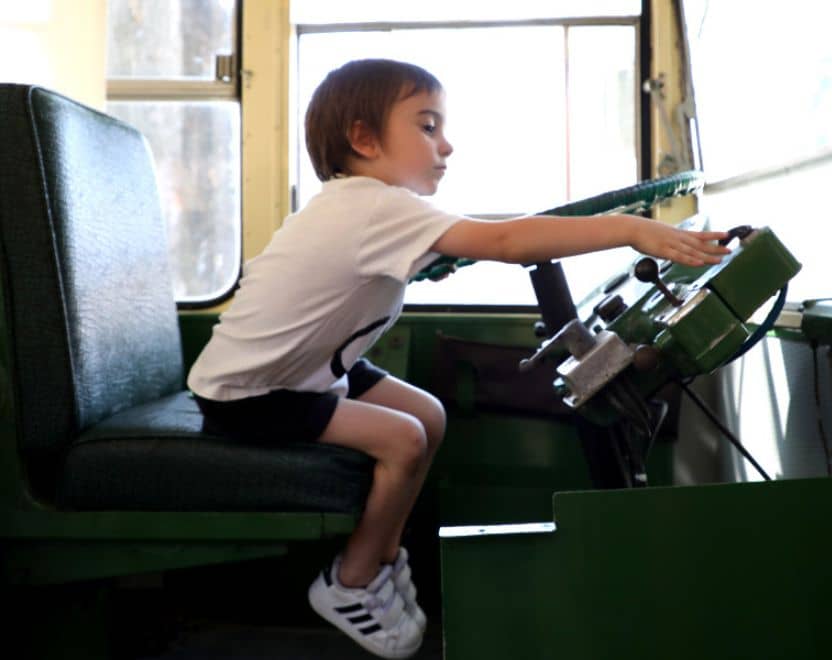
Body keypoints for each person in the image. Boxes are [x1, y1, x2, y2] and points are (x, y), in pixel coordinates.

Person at [186, 58, 730, 658]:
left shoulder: (366, 207)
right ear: (363, 139)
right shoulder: (374, 208)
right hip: (251, 393)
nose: (446, 144)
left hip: (305, 367)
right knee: (406, 440)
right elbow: (504, 241)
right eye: (426, 126)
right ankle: (353, 580)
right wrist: (630, 230)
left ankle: (385, 548)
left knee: (430, 414)